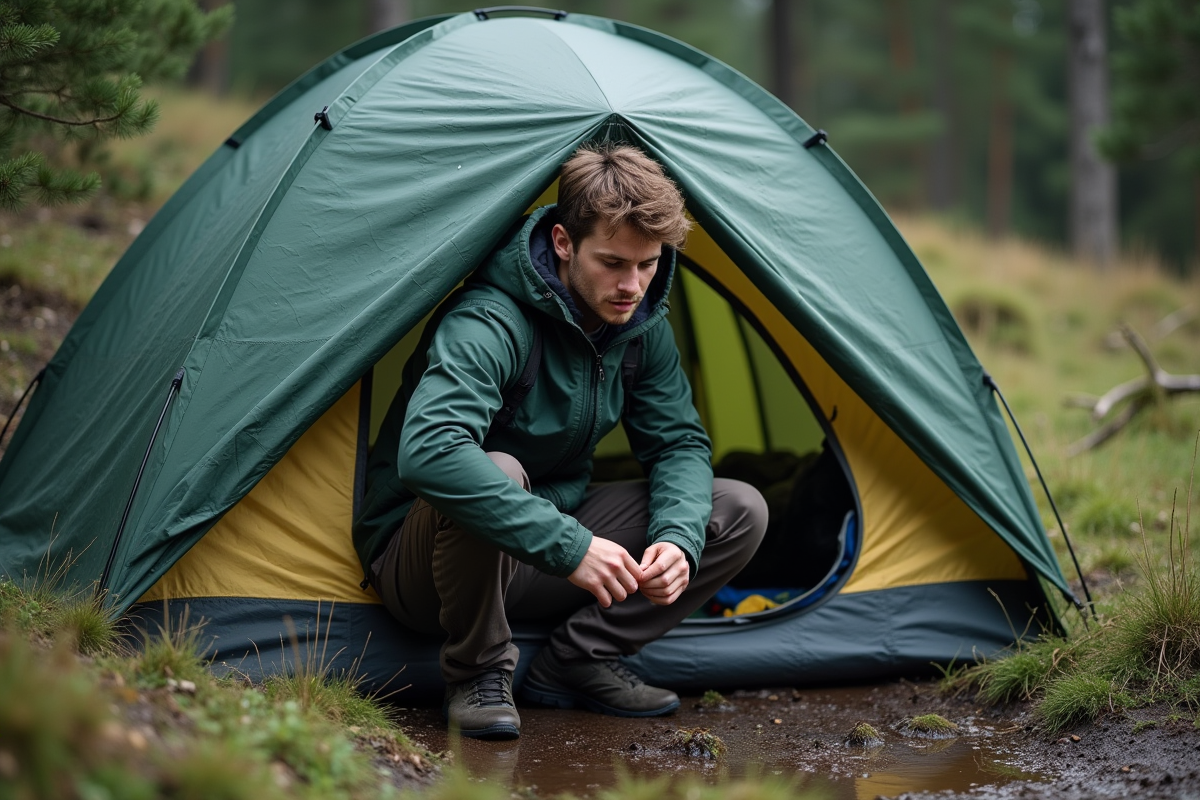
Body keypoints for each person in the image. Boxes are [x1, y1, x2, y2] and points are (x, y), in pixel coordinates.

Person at [354, 143, 767, 740]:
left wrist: (676, 539)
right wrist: (571, 546)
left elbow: (678, 444)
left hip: (543, 552)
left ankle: (578, 658)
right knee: (493, 469)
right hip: (425, 566)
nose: (632, 285)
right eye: (613, 262)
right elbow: (432, 450)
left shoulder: (640, 325)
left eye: (649, 264)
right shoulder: (490, 321)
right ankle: (477, 674)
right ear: (562, 241)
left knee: (736, 511)